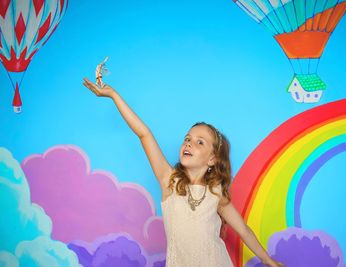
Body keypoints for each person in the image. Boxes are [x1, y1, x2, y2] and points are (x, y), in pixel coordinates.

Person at [83, 78, 284, 267]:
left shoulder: (215, 193)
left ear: (212, 159)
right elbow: (144, 134)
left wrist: (267, 260)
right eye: (187, 138)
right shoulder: (169, 182)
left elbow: (244, 230)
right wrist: (113, 94)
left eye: (199, 142)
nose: (189, 142)